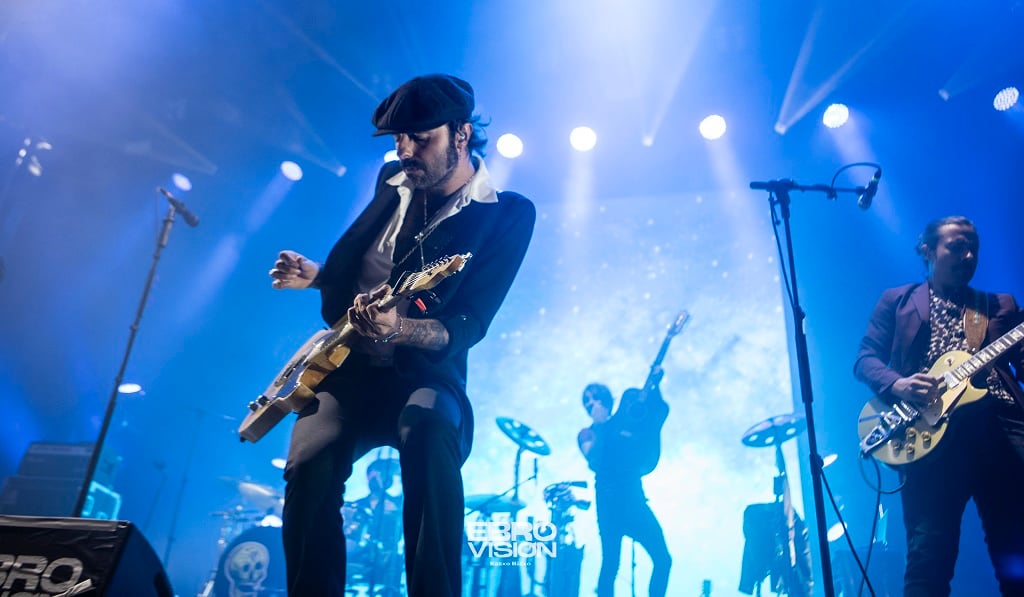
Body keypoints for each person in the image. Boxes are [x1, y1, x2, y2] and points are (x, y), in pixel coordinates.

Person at [268, 73, 536, 596]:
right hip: (348, 368)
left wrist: (400, 327)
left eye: (421, 137)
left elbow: (469, 324)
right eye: (399, 139)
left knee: (429, 434)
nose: (406, 150)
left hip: (426, 375)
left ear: (461, 134)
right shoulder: (393, 180)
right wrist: (319, 275)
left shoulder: (506, 215)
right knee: (306, 465)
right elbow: (372, 270)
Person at [853, 215, 1024, 596]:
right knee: (929, 561)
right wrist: (899, 383)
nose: (968, 255)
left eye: (973, 249)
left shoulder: (999, 306)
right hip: (928, 438)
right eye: (956, 246)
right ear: (928, 251)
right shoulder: (897, 301)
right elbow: (865, 360)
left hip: (998, 434)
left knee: (1016, 556)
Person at [577, 379, 672, 597]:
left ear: (608, 399)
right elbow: (595, 461)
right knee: (611, 564)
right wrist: (600, 426)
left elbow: (653, 414)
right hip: (609, 502)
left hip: (634, 499)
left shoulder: (624, 422)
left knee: (663, 559)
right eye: (587, 401)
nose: (592, 403)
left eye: (596, 397)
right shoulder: (588, 433)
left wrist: (655, 386)